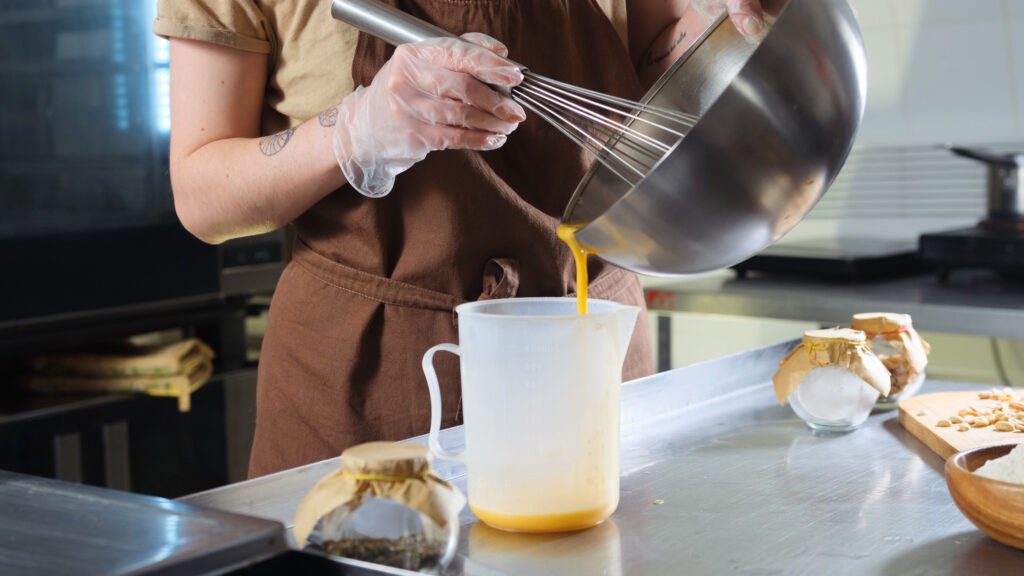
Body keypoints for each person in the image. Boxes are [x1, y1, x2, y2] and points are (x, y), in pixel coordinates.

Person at [153, 0, 770, 477]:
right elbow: (202, 197)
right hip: (369, 376)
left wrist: (716, 41)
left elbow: (657, 79)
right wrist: (350, 135)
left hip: (586, 342)